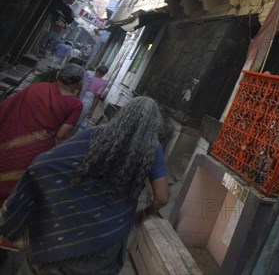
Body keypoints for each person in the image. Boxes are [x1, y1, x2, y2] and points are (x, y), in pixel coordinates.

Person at [0, 96, 169, 274]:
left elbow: (43, 163)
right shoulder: (153, 149)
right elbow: (162, 197)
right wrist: (144, 213)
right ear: (155, 124)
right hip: (106, 236)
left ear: (124, 114)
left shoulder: (95, 134)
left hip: (67, 224)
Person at [0, 63, 84, 205]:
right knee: (13, 185)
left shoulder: (35, 88)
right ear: (78, 83)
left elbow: (9, 106)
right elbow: (61, 134)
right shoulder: (75, 105)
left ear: (58, 75)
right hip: (34, 151)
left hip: (10, 138)